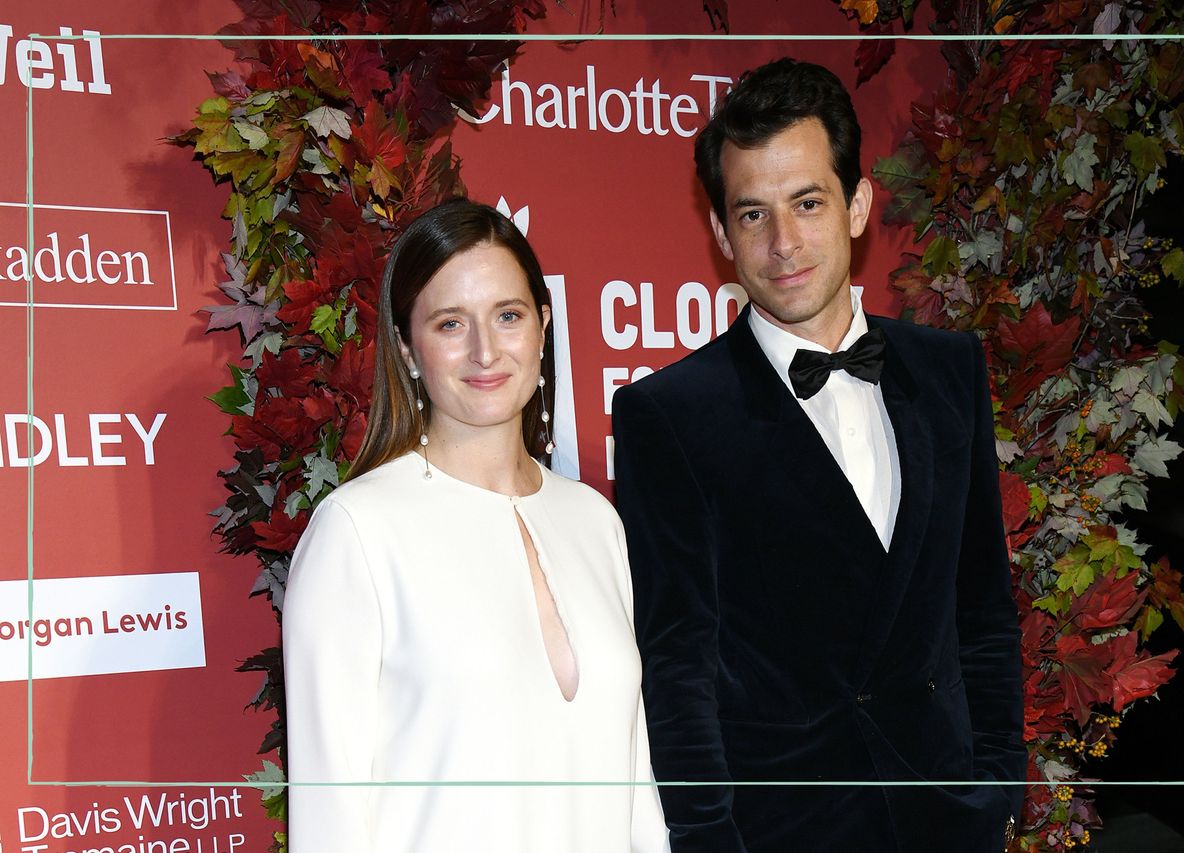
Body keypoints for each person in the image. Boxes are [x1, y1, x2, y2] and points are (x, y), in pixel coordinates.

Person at [611, 58, 1025, 853]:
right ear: (721, 234)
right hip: (785, 831)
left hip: (949, 818)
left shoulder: (948, 369)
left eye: (807, 202)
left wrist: (1000, 786)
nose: (784, 243)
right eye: (753, 214)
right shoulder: (668, 415)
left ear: (858, 204)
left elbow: (982, 606)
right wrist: (710, 841)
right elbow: (678, 669)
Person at [283, 198, 669, 853]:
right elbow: (330, 819)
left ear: (543, 327)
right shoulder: (358, 531)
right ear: (408, 347)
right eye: (451, 323)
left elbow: (636, 787)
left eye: (508, 316)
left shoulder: (595, 522)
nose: (486, 350)